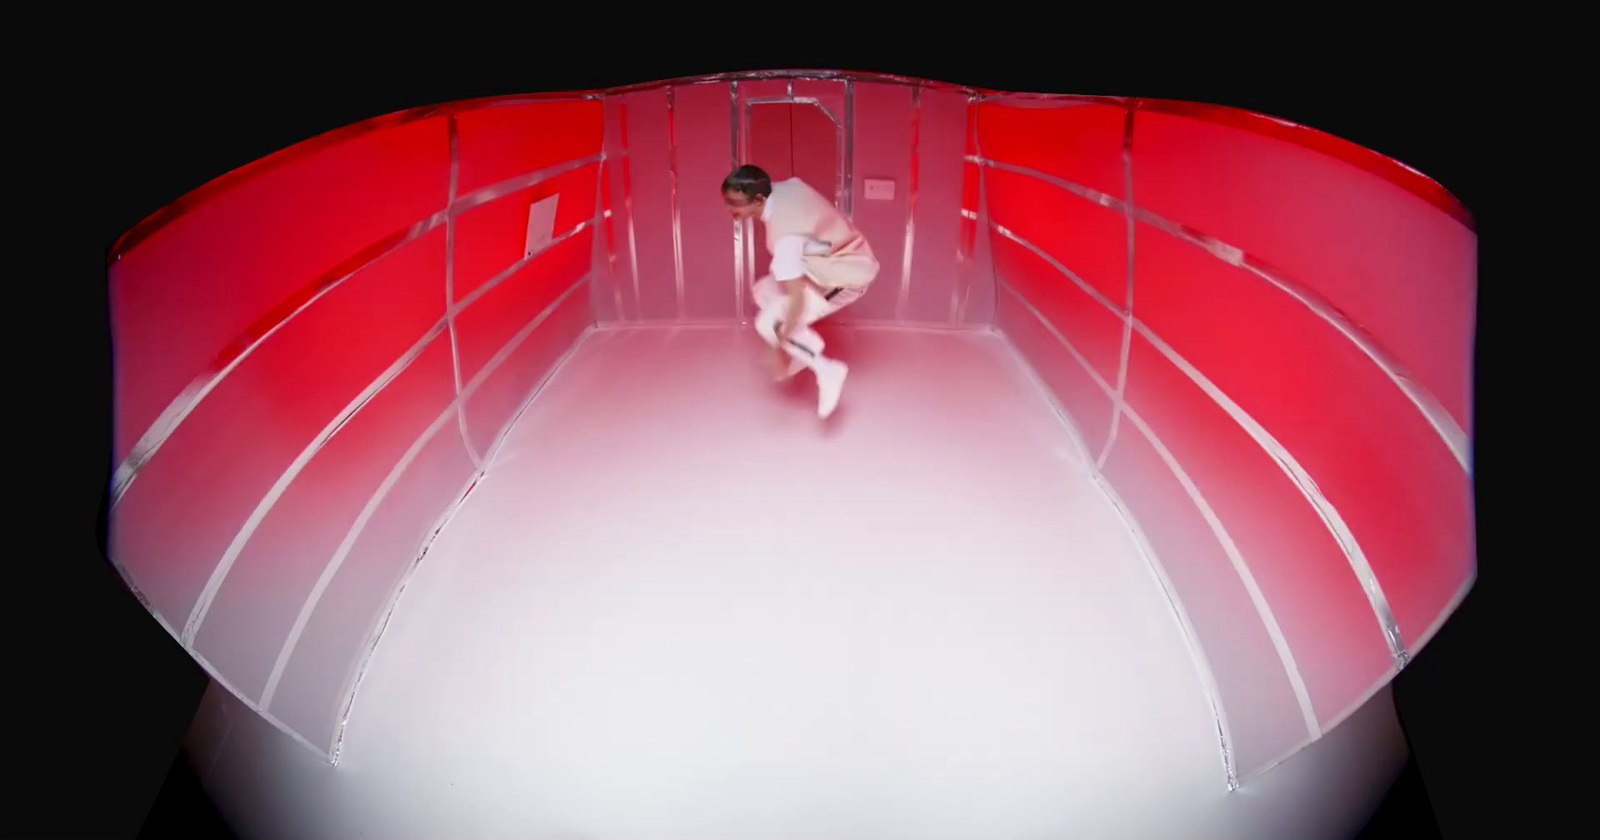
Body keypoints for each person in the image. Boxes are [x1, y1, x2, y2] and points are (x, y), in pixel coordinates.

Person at [722, 165, 879, 419]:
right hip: (832, 256)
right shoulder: (785, 188)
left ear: (759, 199)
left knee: (768, 323)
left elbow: (795, 299)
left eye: (735, 203)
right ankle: (806, 344)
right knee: (764, 290)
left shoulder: (785, 237)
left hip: (845, 277)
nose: (730, 209)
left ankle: (827, 370)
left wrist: (776, 347)